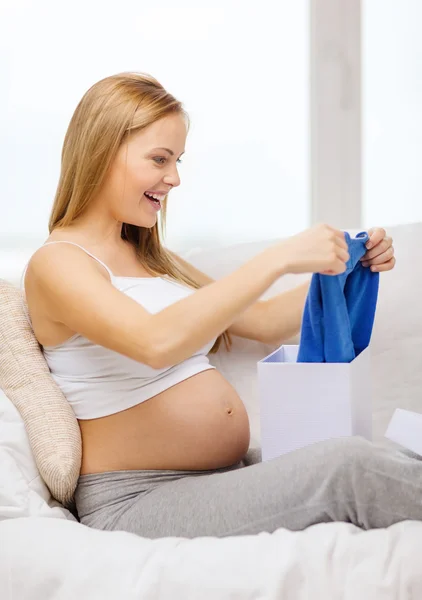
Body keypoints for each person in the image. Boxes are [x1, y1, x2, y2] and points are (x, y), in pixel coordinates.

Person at [24, 71, 419, 541]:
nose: (174, 178)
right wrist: (279, 259)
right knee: (350, 469)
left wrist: (347, 271)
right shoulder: (57, 264)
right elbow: (155, 342)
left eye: (178, 161)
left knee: (396, 452)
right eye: (159, 159)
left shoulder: (156, 260)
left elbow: (267, 322)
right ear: (102, 152)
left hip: (214, 478)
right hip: (138, 500)